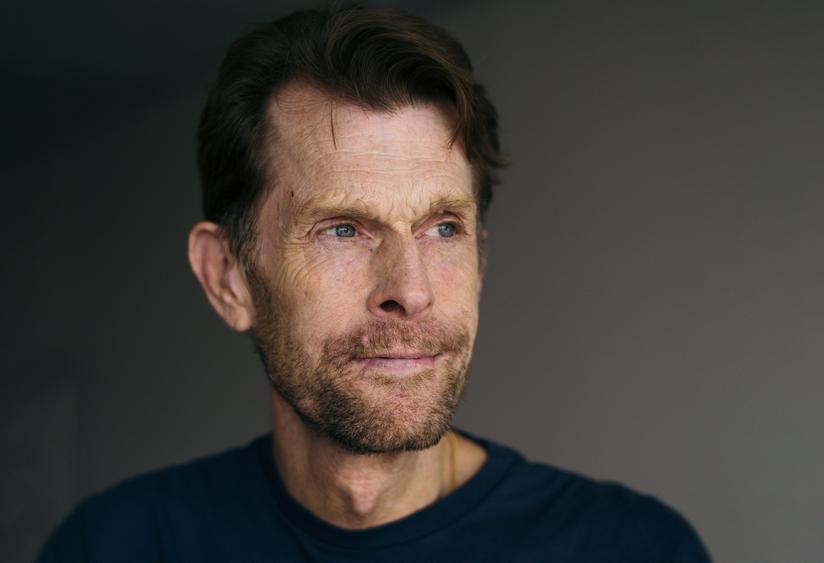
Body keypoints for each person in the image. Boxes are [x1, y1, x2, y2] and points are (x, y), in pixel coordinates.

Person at [36, 6, 710, 562]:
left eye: (442, 228)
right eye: (343, 229)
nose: (410, 291)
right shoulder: (117, 545)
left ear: (481, 258)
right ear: (228, 277)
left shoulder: (634, 548)